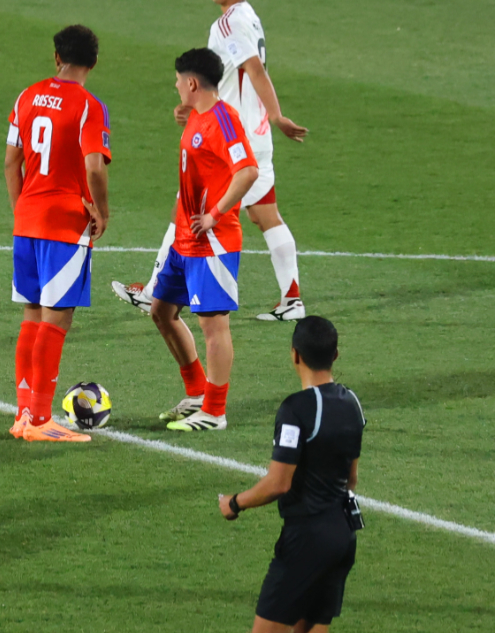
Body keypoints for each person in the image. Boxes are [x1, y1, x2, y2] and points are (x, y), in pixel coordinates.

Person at [112, 0, 308, 322]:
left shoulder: (228, 23)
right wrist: (196, 108)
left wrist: (277, 115)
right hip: (254, 135)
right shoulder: (249, 15)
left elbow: (253, 69)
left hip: (228, 140)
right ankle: (292, 298)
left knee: (185, 208)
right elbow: (231, 77)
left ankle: (152, 292)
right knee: (265, 213)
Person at [218, 316, 365, 632]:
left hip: (307, 540)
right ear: (335, 355)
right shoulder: (352, 403)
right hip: (343, 535)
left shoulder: (296, 409)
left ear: (295, 354)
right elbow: (351, 479)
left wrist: (234, 503)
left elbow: (278, 483)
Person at [4, 24, 112, 443]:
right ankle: (40, 419)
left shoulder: (26, 97)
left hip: (27, 220)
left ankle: (23, 415)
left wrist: (22, 210)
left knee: (32, 314)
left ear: (57, 57)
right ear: (94, 62)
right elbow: (94, 167)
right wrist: (101, 210)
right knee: (56, 318)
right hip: (65, 224)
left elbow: (11, 162)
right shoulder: (89, 106)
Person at [151, 48, 258, 432]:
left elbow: (247, 171)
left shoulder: (225, 120)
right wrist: (188, 112)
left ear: (193, 82)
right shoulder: (199, 113)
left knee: (213, 326)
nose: (176, 85)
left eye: (179, 80)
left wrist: (215, 214)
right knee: (161, 312)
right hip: (185, 240)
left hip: (211, 241)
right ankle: (197, 393)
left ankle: (214, 411)